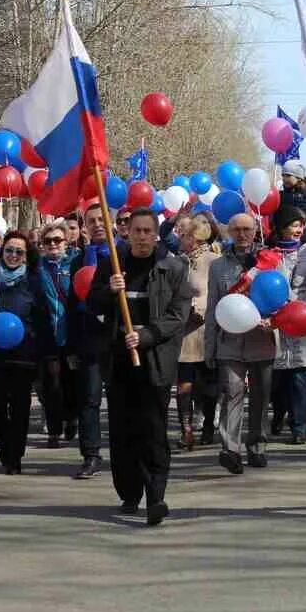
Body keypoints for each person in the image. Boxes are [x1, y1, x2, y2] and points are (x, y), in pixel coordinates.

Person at [87, 207, 192, 526]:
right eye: (137, 231)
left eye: (148, 231)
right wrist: (110, 291)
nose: (143, 236)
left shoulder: (172, 268)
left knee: (153, 430)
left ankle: (155, 496)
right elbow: (91, 303)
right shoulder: (112, 265)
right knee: (122, 430)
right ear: (127, 233)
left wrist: (147, 335)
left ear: (156, 234)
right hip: (119, 360)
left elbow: (178, 315)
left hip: (154, 360)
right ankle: (129, 493)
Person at [205, 212, 278, 474]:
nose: (241, 234)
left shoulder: (270, 261)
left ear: (256, 230)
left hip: (261, 340)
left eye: (247, 229)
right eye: (236, 229)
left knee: (260, 395)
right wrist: (209, 346)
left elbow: (283, 299)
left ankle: (257, 445)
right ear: (228, 233)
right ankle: (230, 449)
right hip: (230, 341)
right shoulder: (218, 266)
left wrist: (274, 322)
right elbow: (213, 306)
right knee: (232, 393)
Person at [0, 231, 52, 474]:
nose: (13, 255)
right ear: (2, 252)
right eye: (9, 250)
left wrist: (45, 353)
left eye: (19, 252)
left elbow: (43, 319)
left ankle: (15, 455)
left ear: (26, 256)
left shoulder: (33, 282)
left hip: (24, 356)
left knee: (20, 406)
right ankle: (5, 442)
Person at [269, 205, 306, 445]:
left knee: (300, 374)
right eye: (294, 224)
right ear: (281, 227)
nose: (299, 229)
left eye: (301, 225)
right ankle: (278, 414)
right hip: (276, 317)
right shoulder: (268, 253)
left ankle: (299, 425)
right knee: (278, 376)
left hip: (301, 316)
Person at [69, 203, 112, 479]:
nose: (97, 225)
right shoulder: (78, 260)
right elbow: (72, 304)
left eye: (102, 219)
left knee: (124, 399)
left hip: (119, 337)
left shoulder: (123, 255)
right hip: (89, 339)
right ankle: (91, 454)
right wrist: (72, 346)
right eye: (92, 221)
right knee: (89, 399)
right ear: (85, 226)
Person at [173, 212, 221, 450]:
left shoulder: (214, 261)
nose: (181, 239)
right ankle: (186, 429)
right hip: (183, 332)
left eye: (184, 235)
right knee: (184, 383)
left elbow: (218, 293)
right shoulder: (178, 262)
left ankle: (209, 426)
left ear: (195, 238)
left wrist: (201, 309)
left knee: (207, 384)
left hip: (207, 330)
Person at [36, 219, 78, 448]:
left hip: (71, 334)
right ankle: (54, 430)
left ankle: (71, 418)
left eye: (57, 240)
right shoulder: (38, 267)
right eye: (48, 241)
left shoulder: (75, 263)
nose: (53, 244)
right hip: (48, 335)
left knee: (70, 382)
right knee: (51, 383)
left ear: (66, 241)